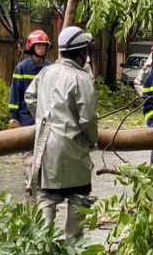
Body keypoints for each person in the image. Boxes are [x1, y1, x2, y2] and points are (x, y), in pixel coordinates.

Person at [25, 26, 98, 240]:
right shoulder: (83, 79)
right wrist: (92, 140)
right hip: (73, 147)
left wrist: (42, 118)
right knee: (78, 198)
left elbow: (30, 98)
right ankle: (73, 250)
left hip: (45, 147)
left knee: (47, 198)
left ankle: (42, 248)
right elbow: (88, 119)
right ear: (82, 52)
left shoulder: (46, 72)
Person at [8, 30, 53, 194]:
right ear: (31, 47)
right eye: (38, 45)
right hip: (26, 115)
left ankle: (42, 180)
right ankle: (29, 182)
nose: (41, 48)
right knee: (28, 149)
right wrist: (13, 116)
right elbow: (15, 92)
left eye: (44, 45)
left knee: (46, 148)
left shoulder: (50, 68)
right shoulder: (22, 67)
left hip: (47, 115)